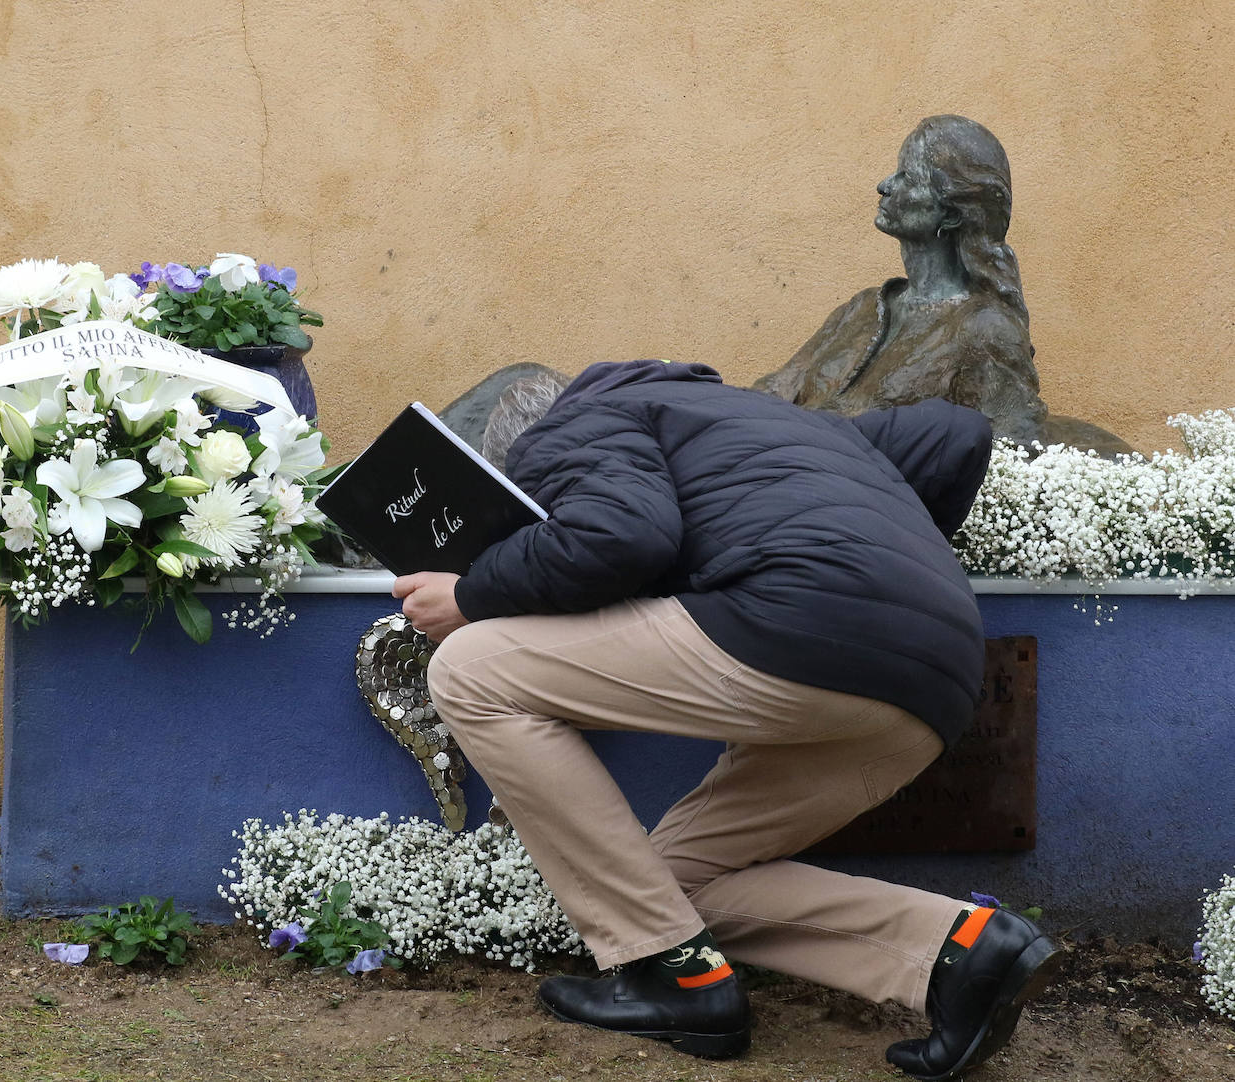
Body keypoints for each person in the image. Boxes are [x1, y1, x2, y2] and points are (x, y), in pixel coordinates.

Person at [394, 359, 1059, 1078]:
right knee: (668, 886)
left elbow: (622, 536)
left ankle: (670, 979)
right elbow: (955, 433)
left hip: (794, 625)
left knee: (472, 667)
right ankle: (958, 952)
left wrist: (474, 593)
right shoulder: (781, 423)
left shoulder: (568, 426)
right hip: (936, 678)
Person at [758, 114, 1130, 456]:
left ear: (950, 214)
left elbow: (1004, 455)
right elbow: (772, 392)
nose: (885, 186)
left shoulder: (985, 329)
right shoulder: (863, 308)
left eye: (907, 176)